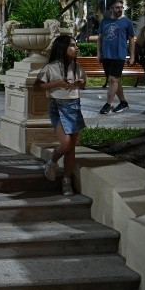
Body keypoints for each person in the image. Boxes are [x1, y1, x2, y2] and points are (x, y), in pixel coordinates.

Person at [33, 35, 86, 196]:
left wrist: (80, 83)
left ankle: (66, 181)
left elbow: (84, 83)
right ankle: (53, 161)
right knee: (66, 143)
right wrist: (57, 83)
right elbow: (37, 86)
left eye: (76, 45)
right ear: (63, 48)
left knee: (71, 148)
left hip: (74, 106)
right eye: (72, 45)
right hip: (58, 106)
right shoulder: (51, 67)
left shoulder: (77, 66)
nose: (76, 48)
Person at [97, 0, 136, 114]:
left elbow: (131, 40)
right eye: (117, 7)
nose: (120, 9)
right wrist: (99, 54)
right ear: (111, 9)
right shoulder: (104, 21)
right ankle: (123, 102)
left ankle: (107, 105)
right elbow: (100, 38)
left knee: (113, 79)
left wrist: (132, 56)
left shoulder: (127, 22)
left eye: (121, 7)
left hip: (119, 55)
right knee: (115, 80)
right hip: (106, 55)